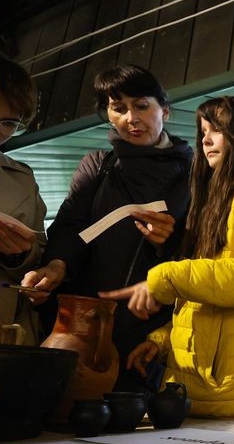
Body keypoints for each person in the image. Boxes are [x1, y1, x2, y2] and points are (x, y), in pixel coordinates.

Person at [101, 95, 234, 422]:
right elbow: (218, 293)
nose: (206, 139)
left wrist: (168, 277)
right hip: (204, 387)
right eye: (203, 130)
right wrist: (165, 339)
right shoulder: (226, 190)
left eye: (218, 130)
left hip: (232, 391)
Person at [22, 65, 191, 391]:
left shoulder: (194, 174)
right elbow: (70, 223)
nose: (131, 118)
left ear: (164, 111)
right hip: (82, 325)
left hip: (147, 328)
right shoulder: (98, 165)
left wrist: (168, 244)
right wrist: (57, 263)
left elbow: (203, 252)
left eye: (141, 105)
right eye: (119, 108)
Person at [0, 52, 46, 344]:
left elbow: (39, 253)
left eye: (9, 123)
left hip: (5, 328)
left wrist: (18, 256)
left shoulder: (22, 179)